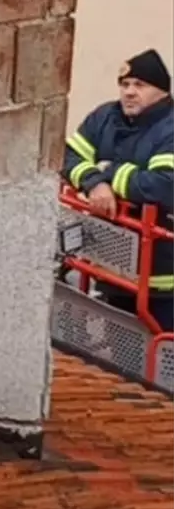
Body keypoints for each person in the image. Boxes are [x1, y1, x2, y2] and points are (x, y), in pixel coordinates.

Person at [64, 49, 174, 330]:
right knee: (121, 349)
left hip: (163, 278)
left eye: (140, 85)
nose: (129, 92)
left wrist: (109, 173)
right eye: (124, 85)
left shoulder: (170, 128)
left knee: (161, 356)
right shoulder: (104, 118)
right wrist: (93, 182)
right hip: (114, 268)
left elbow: (163, 185)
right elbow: (68, 155)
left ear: (162, 92)